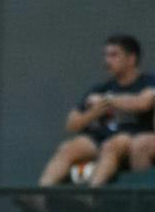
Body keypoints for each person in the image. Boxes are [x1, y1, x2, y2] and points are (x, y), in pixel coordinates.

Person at [35, 34, 155, 191]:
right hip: (102, 138)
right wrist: (93, 113)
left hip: (132, 137)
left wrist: (106, 100)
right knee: (70, 147)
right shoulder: (101, 88)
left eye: (114, 55)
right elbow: (71, 125)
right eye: (105, 55)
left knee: (113, 144)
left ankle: (92, 194)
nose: (107, 60)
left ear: (131, 59)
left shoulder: (148, 82)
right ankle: (40, 194)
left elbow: (142, 103)